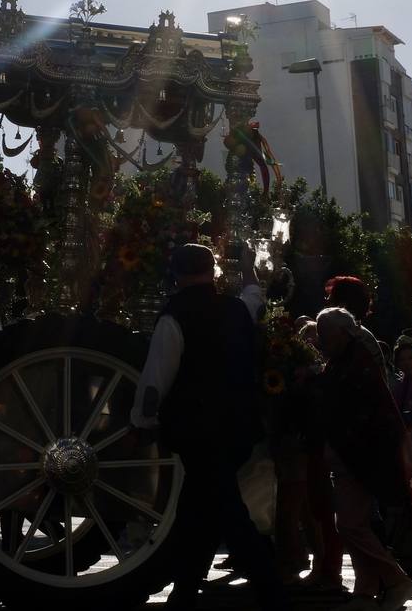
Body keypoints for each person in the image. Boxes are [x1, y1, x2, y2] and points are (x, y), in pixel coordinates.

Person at [131, 243, 286, 611]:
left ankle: (270, 590)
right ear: (213, 270)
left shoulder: (175, 315)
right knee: (200, 510)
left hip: (198, 431)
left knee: (226, 514)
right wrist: (247, 264)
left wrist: (142, 420)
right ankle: (184, 591)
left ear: (176, 274)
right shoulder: (236, 309)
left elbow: (156, 377)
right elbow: (255, 296)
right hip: (239, 428)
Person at [314, 308, 412, 611]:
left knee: (350, 524)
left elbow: (348, 408)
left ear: (342, 333)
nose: (320, 340)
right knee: (354, 523)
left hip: (358, 455)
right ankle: (365, 589)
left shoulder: (355, 364)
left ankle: (395, 579)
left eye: (324, 334)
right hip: (356, 454)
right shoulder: (350, 359)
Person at [323, 276, 383, 365]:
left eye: (330, 303)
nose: (326, 308)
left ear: (342, 307)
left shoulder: (355, 341)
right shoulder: (360, 336)